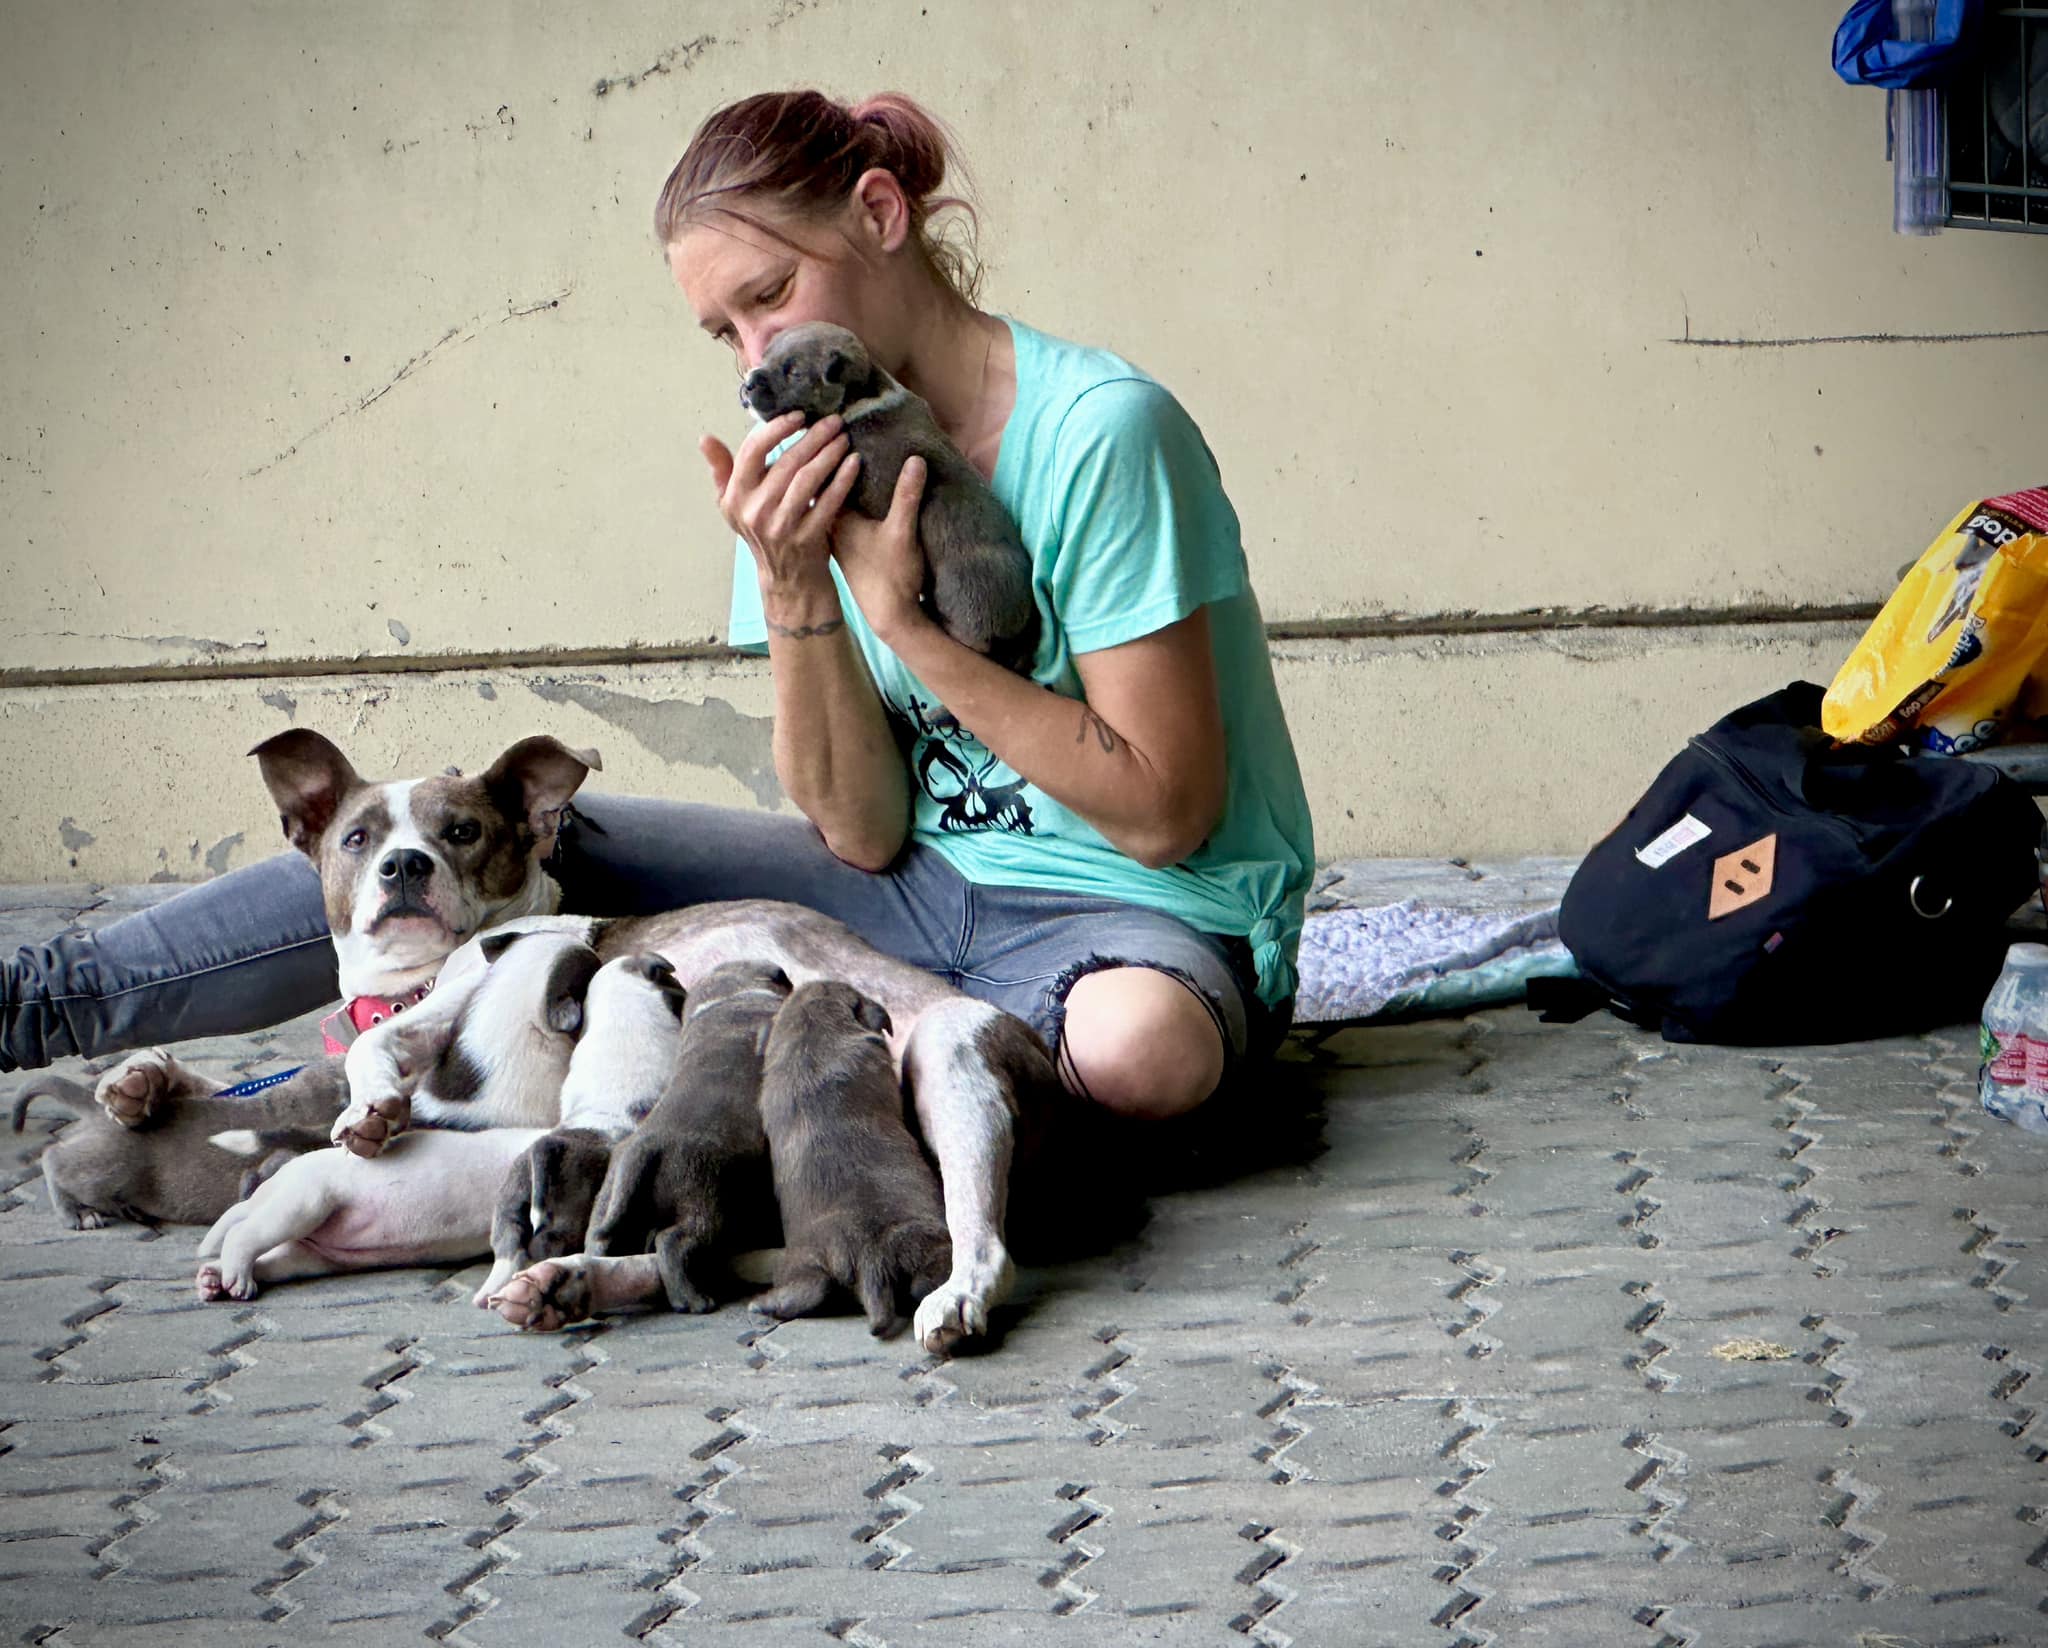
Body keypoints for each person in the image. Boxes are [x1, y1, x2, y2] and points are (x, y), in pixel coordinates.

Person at [1, 89, 1314, 1126]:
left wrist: (907, 629)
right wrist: (798, 585)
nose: (756, 362)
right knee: (436, 842)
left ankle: (874, 1068)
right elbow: (858, 834)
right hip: (915, 891)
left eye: (770, 299)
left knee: (1142, 1052)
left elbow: (1162, 812)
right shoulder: (802, 452)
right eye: (721, 336)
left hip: (1136, 909)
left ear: (878, 212)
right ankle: (44, 1004)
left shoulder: (1100, 435)